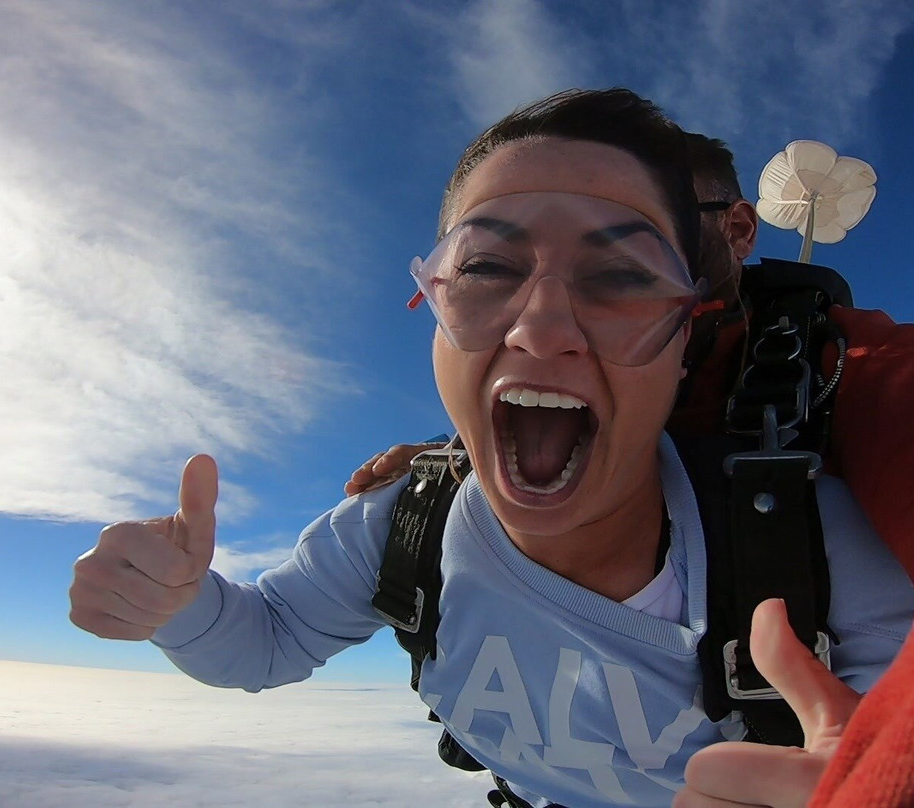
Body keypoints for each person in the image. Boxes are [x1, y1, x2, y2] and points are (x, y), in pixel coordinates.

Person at [68, 89, 914, 808]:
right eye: (484, 270)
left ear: (688, 329)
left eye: (622, 275)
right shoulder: (407, 519)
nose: (541, 328)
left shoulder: (814, 547)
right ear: (431, 308)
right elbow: (267, 638)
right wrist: (176, 606)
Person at [342, 127, 914, 807]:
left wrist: (876, 784)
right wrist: (461, 459)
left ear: (736, 230)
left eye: (638, 236)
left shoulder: (866, 373)